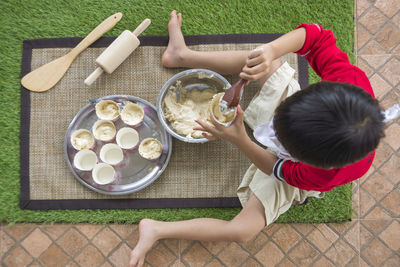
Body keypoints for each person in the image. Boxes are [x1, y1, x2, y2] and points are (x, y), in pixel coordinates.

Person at [129, 10, 385, 267]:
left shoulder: (325, 173)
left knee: (243, 230)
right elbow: (315, 37)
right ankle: (181, 55)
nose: (273, 134)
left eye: (281, 138)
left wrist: (240, 139)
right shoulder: (348, 83)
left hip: (283, 168)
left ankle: (156, 229)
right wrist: (271, 51)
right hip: (306, 135)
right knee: (263, 64)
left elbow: (275, 168)